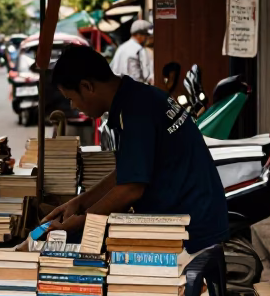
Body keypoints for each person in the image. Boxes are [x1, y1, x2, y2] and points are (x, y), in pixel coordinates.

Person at [45, 45, 228, 259]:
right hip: (188, 216)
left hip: (192, 228)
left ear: (87, 87)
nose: (73, 106)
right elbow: (126, 173)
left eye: (70, 98)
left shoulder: (135, 111)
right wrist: (79, 202)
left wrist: (84, 220)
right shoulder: (136, 98)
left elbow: (131, 189)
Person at [110, 18, 154, 84]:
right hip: (134, 90)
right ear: (139, 34)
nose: (147, 38)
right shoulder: (139, 50)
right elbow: (145, 76)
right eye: (146, 35)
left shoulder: (121, 48)